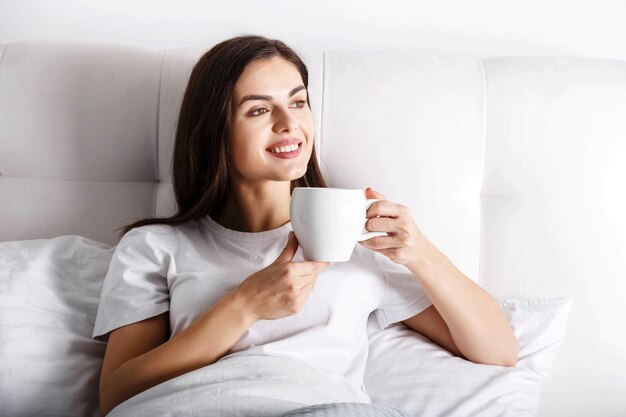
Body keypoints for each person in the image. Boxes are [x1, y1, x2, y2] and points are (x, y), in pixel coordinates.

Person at [92, 35, 519, 416]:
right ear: (215, 131)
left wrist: (422, 253)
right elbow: (117, 394)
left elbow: (498, 351)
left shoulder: (357, 242)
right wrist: (245, 305)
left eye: (297, 102)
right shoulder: (155, 245)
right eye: (259, 109)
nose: (289, 123)